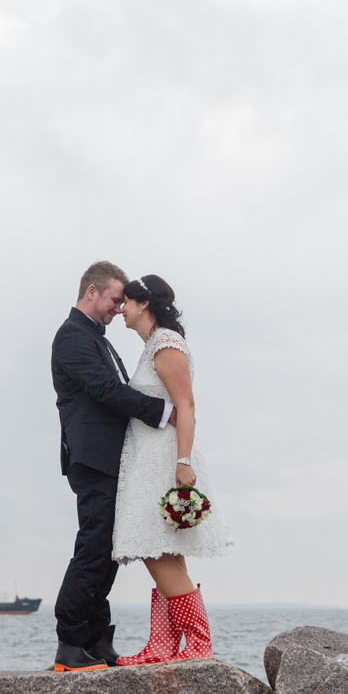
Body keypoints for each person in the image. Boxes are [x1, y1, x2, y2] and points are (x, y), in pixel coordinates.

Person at [50, 261, 178, 671]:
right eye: (113, 299)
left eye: (123, 302)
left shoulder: (95, 338)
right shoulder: (71, 337)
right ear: (92, 291)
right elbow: (106, 391)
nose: (118, 308)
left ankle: (95, 638)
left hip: (109, 458)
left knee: (106, 549)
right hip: (92, 457)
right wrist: (160, 411)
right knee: (93, 547)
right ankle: (70, 642)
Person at [112, 274, 233, 665]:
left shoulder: (166, 343)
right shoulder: (153, 346)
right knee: (163, 549)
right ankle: (163, 644)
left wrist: (182, 462)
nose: (120, 310)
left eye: (125, 302)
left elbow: (187, 406)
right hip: (148, 458)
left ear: (143, 303)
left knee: (154, 550)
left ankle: (198, 642)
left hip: (165, 459)